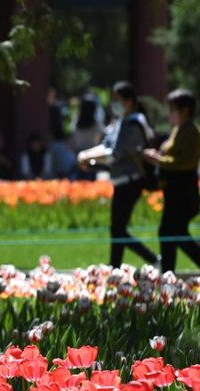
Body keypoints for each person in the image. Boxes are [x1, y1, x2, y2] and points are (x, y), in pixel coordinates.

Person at [144, 89, 200, 280]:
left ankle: (171, 274)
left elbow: (185, 163)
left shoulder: (192, 132)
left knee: (170, 231)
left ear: (185, 110)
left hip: (184, 191)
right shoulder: (179, 130)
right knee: (173, 232)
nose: (170, 113)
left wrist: (158, 160)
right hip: (174, 190)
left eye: (173, 109)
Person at [77, 81, 159, 268]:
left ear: (129, 101)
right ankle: (116, 267)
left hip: (132, 181)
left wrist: (87, 156)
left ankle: (152, 260)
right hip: (121, 181)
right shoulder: (120, 122)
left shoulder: (133, 123)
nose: (114, 103)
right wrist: (88, 155)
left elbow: (114, 154)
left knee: (118, 230)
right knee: (118, 229)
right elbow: (106, 146)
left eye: (118, 99)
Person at [70, 94, 104, 180]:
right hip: (92, 153)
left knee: (80, 182)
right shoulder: (96, 123)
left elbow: (72, 137)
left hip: (78, 153)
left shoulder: (76, 122)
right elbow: (101, 136)